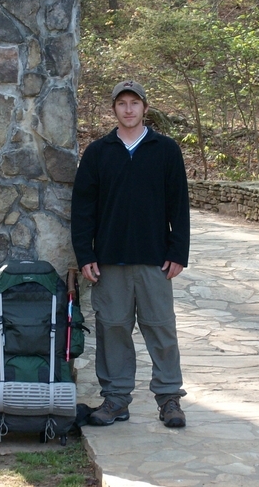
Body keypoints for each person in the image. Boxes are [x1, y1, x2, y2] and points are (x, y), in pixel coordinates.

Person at [70, 79, 190, 428]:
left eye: (134, 103)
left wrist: (177, 251)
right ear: (114, 109)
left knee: (161, 329)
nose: (128, 109)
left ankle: (169, 399)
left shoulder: (165, 150)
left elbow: (178, 205)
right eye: (121, 103)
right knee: (113, 330)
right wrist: (85, 255)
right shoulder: (98, 152)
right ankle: (116, 400)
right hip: (109, 261)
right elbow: (83, 210)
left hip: (155, 259)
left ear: (145, 108)